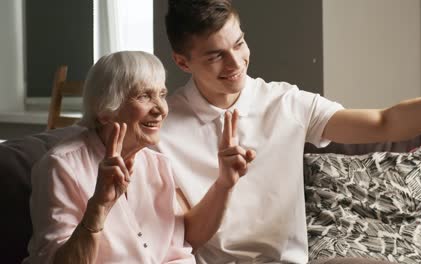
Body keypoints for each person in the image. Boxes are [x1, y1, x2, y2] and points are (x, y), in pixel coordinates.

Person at [155, 0, 421, 263]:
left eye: (238, 44)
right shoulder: (162, 131)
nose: (235, 62)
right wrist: (224, 184)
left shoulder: (285, 103)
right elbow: (186, 238)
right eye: (215, 55)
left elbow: (384, 122)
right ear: (183, 62)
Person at [24, 51, 255, 263]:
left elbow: (186, 237)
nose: (161, 109)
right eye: (144, 96)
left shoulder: (157, 163)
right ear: (105, 111)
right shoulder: (61, 167)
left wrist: (224, 184)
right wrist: (99, 207)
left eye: (161, 94)